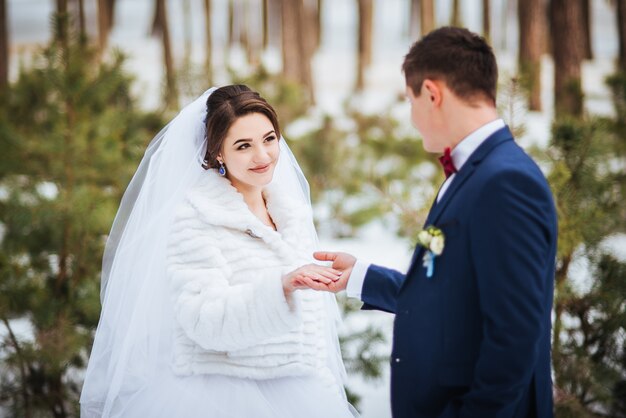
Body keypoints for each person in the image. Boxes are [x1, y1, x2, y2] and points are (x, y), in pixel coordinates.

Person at [313, 27, 557, 418]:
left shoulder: (506, 183)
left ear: (431, 93)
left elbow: (514, 338)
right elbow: (458, 299)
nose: (412, 118)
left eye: (410, 101)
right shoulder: (476, 173)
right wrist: (361, 277)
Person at [80, 85, 358, 418]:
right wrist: (279, 286)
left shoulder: (291, 211)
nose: (263, 156)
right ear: (219, 153)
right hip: (225, 393)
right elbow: (202, 320)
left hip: (302, 387)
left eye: (269, 139)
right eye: (244, 145)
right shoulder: (195, 217)